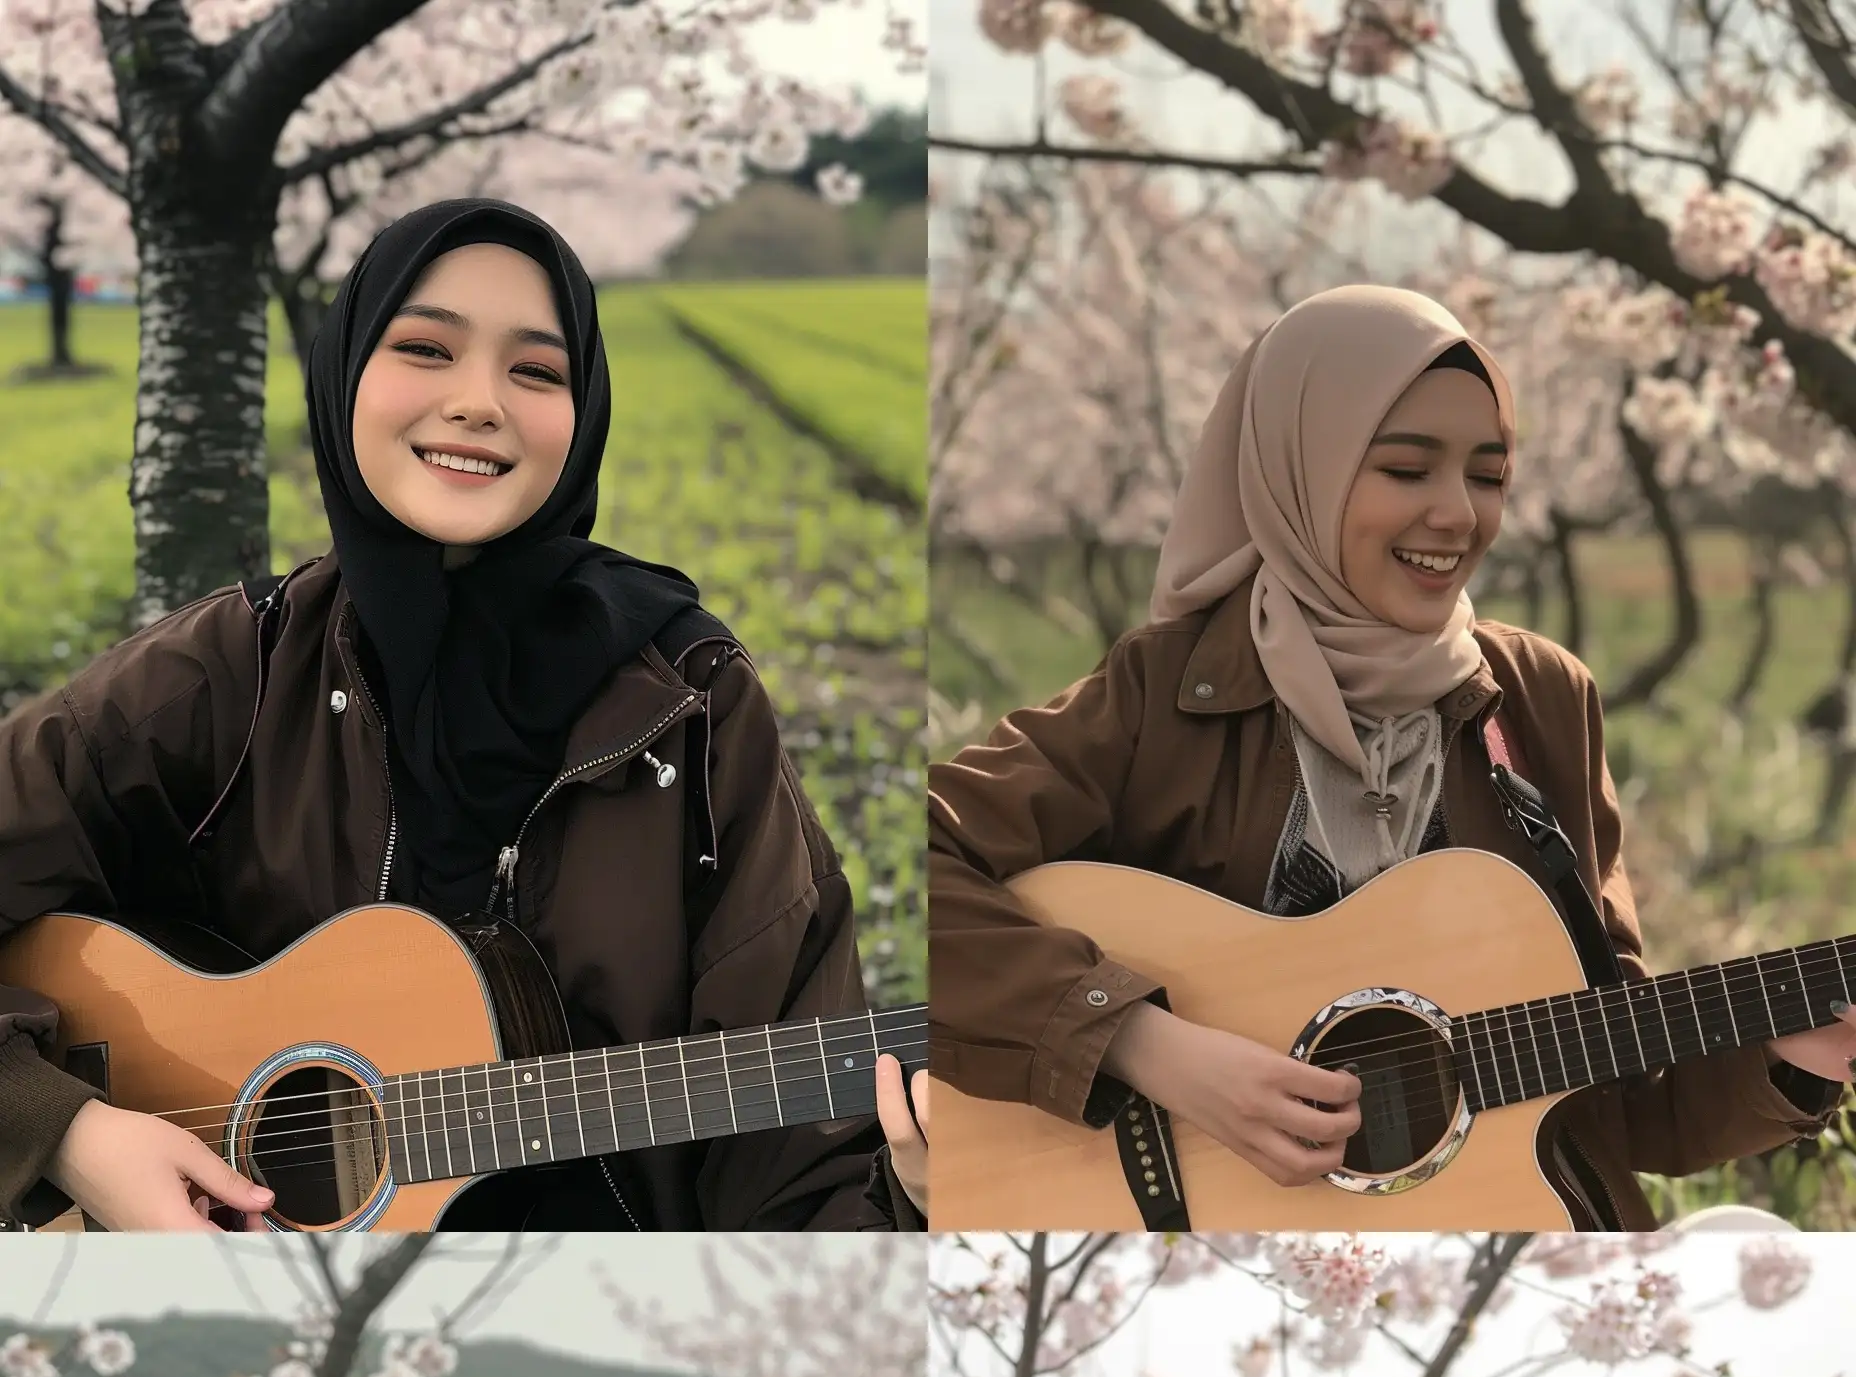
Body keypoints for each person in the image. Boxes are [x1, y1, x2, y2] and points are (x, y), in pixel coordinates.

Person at [0, 196, 927, 1230]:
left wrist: (916, 1191)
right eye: (425, 348)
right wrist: (69, 1133)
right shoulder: (232, 670)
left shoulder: (686, 699)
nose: (478, 401)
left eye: (535, 370)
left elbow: (797, 1166)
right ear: (343, 369)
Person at [928, 284, 1856, 1230]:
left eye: (1488, 476)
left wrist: (1785, 1059)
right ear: (1304, 470)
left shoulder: (1540, 698)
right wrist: (1145, 1046)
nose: (1458, 515)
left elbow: (1611, 1100)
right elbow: (929, 873)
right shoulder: (1160, 694)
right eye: (1408, 470)